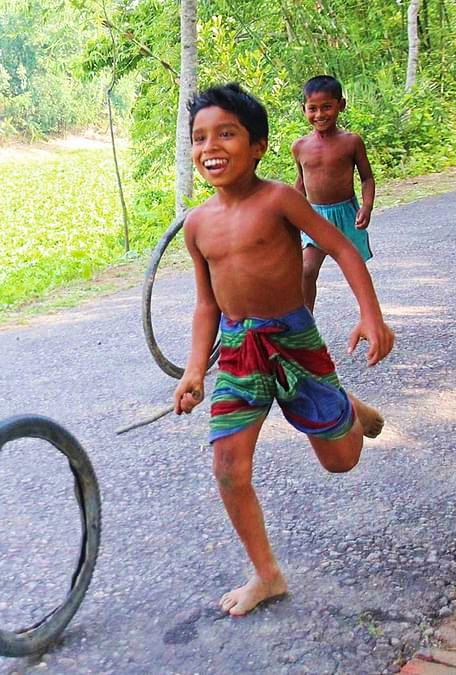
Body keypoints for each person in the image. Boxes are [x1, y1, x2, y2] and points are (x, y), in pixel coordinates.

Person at [172, 83, 395, 617]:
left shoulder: (280, 200)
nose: (210, 147)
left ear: (258, 146)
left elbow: (341, 247)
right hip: (238, 349)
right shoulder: (197, 225)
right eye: (200, 137)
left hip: (294, 340)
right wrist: (195, 369)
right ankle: (267, 575)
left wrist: (371, 314)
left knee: (340, 461)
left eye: (226, 133)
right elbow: (206, 304)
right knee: (228, 465)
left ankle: (346, 409)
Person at [292, 75, 376, 313]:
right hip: (315, 217)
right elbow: (301, 182)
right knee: (307, 271)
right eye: (313, 108)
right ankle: (307, 324)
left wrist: (367, 206)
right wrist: (292, 214)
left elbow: (367, 178)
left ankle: (370, 318)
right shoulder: (300, 147)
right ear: (304, 110)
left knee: (356, 271)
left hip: (346, 215)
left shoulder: (351, 142)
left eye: (327, 107)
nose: (320, 114)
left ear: (341, 105)